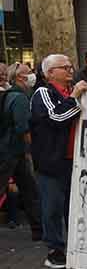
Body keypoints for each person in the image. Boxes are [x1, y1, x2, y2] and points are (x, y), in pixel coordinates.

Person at [31, 54, 87, 268]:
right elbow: (57, 118)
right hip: (52, 162)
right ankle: (55, 250)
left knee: (73, 206)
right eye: (63, 67)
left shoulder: (72, 91)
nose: (69, 70)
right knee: (53, 207)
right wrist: (74, 98)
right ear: (49, 73)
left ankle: (76, 246)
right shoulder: (43, 93)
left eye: (70, 66)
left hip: (75, 161)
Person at [0, 63, 42, 241]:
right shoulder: (20, 98)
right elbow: (23, 127)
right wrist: (31, 150)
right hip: (13, 151)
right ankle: (38, 230)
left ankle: (39, 229)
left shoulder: (10, 95)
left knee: (30, 190)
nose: (32, 75)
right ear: (20, 78)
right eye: (28, 72)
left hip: (10, 150)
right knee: (29, 190)